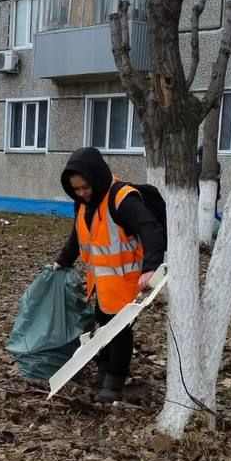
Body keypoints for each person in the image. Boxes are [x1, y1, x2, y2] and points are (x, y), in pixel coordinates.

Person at [53, 147, 166, 404]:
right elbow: (79, 234)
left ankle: (114, 382)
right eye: (76, 189)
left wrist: (151, 267)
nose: (81, 193)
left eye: (85, 187)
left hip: (128, 283)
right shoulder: (84, 204)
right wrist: (62, 261)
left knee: (119, 333)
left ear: (97, 177)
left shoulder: (122, 199)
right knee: (102, 327)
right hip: (103, 285)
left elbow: (150, 228)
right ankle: (104, 373)